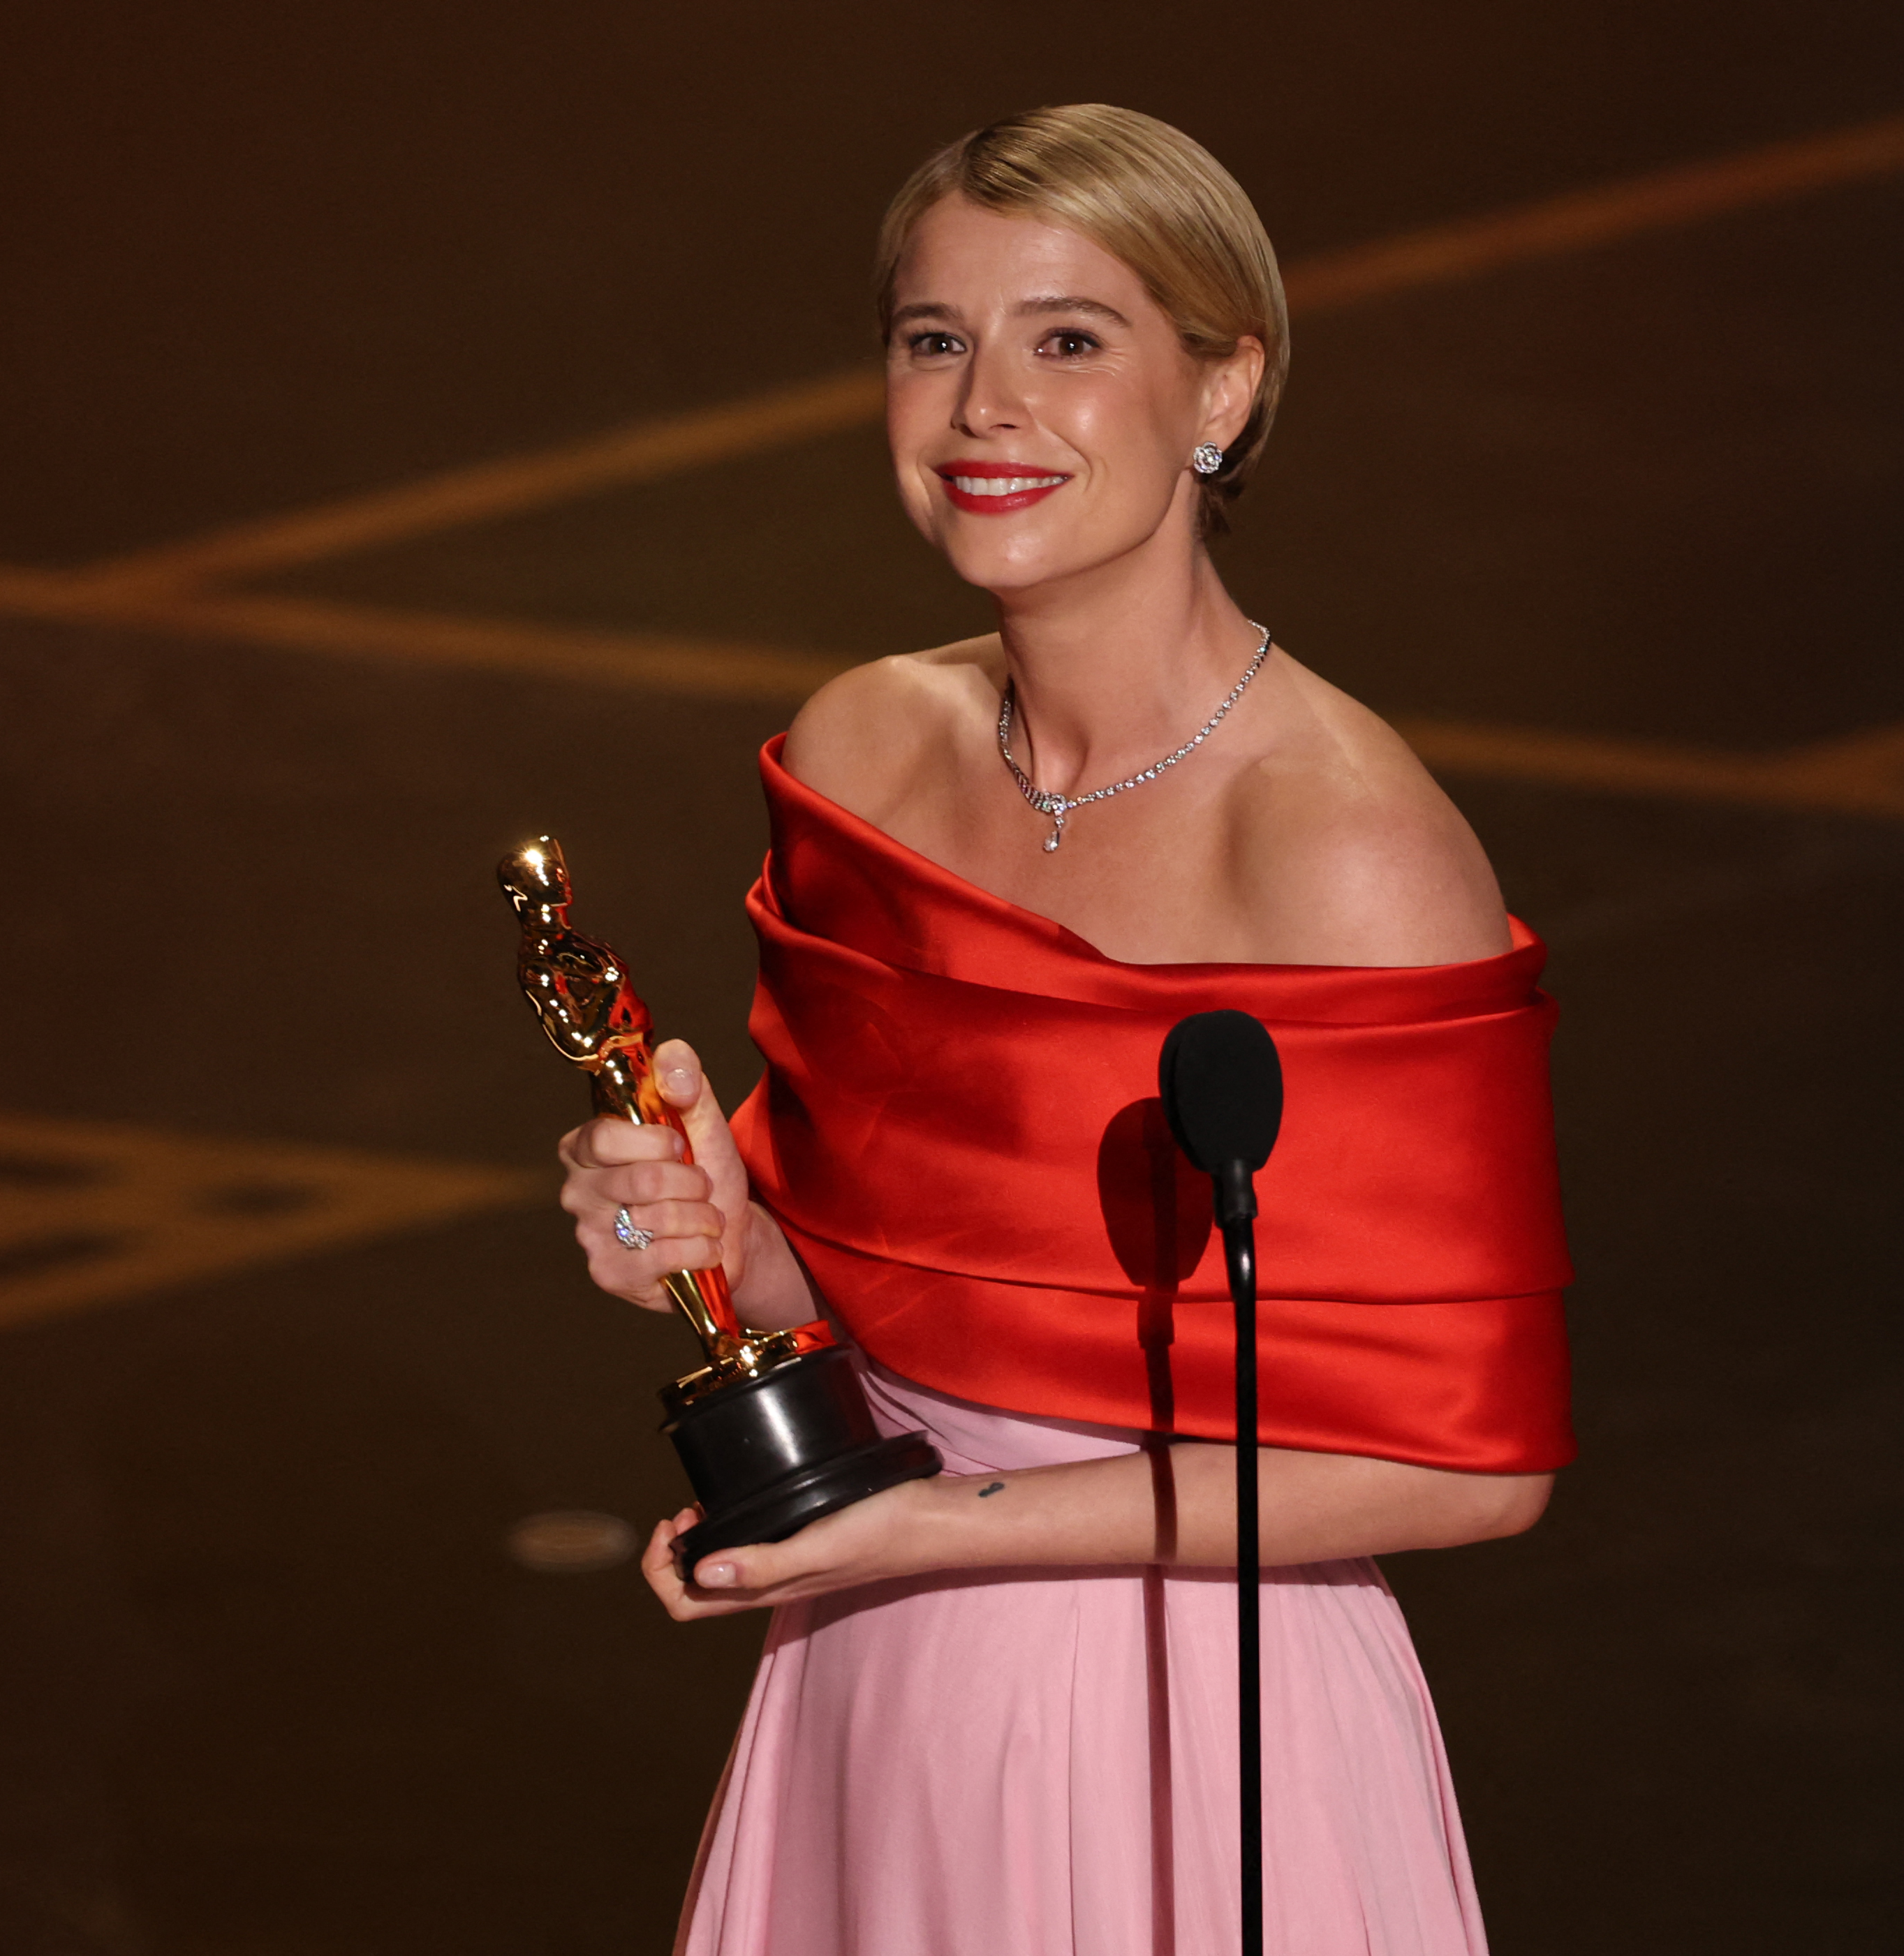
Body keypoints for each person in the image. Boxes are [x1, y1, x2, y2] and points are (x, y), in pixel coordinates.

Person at [554, 105, 1574, 1955]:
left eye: (1071, 340)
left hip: (1195, 1707)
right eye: (935, 341)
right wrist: (716, 1237)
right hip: (875, 1677)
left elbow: (1473, 1463)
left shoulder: (1341, 841)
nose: (981, 409)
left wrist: (942, 1529)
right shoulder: (866, 751)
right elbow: (873, 1289)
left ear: (1224, 393)